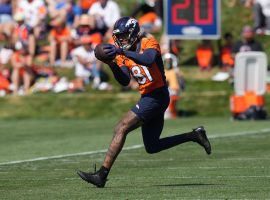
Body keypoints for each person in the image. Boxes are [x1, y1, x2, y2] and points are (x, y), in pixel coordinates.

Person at [77, 17, 211, 188]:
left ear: (133, 33)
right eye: (119, 36)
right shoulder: (122, 54)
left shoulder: (148, 42)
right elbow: (124, 80)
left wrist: (121, 52)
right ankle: (194, 135)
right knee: (152, 146)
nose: (121, 40)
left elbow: (147, 59)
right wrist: (111, 64)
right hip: (148, 97)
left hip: (157, 95)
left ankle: (101, 175)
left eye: (124, 35)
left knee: (121, 127)